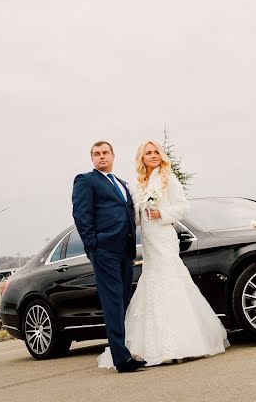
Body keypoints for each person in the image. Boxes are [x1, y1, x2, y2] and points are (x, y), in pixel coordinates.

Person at [98, 140, 229, 368]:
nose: (153, 155)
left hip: (164, 236)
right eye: (148, 153)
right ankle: (149, 345)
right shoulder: (138, 183)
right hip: (148, 240)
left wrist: (163, 212)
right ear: (142, 158)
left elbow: (183, 207)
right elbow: (136, 215)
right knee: (152, 282)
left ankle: (183, 342)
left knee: (171, 281)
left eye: (156, 151)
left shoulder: (168, 178)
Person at [72, 141, 146, 373]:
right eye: (97, 154)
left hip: (124, 251)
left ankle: (124, 350)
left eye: (105, 153)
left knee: (121, 301)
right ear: (92, 158)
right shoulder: (86, 180)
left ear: (113, 156)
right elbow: (81, 214)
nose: (101, 157)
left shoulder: (122, 184)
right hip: (104, 251)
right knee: (112, 303)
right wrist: (92, 246)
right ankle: (121, 360)